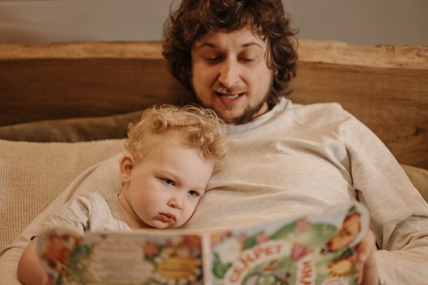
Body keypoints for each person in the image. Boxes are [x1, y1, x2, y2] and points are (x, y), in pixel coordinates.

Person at [1, 0, 427, 284]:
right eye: (211, 56)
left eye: (246, 56)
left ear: (274, 63)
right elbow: (22, 258)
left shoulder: (332, 125)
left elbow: (420, 241)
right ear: (188, 65)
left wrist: (373, 273)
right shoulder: (153, 153)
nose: (228, 77)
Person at [16, 104, 229, 285]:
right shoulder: (90, 211)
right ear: (128, 169)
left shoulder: (174, 244)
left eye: (192, 192)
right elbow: (30, 262)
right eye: (168, 182)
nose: (178, 202)